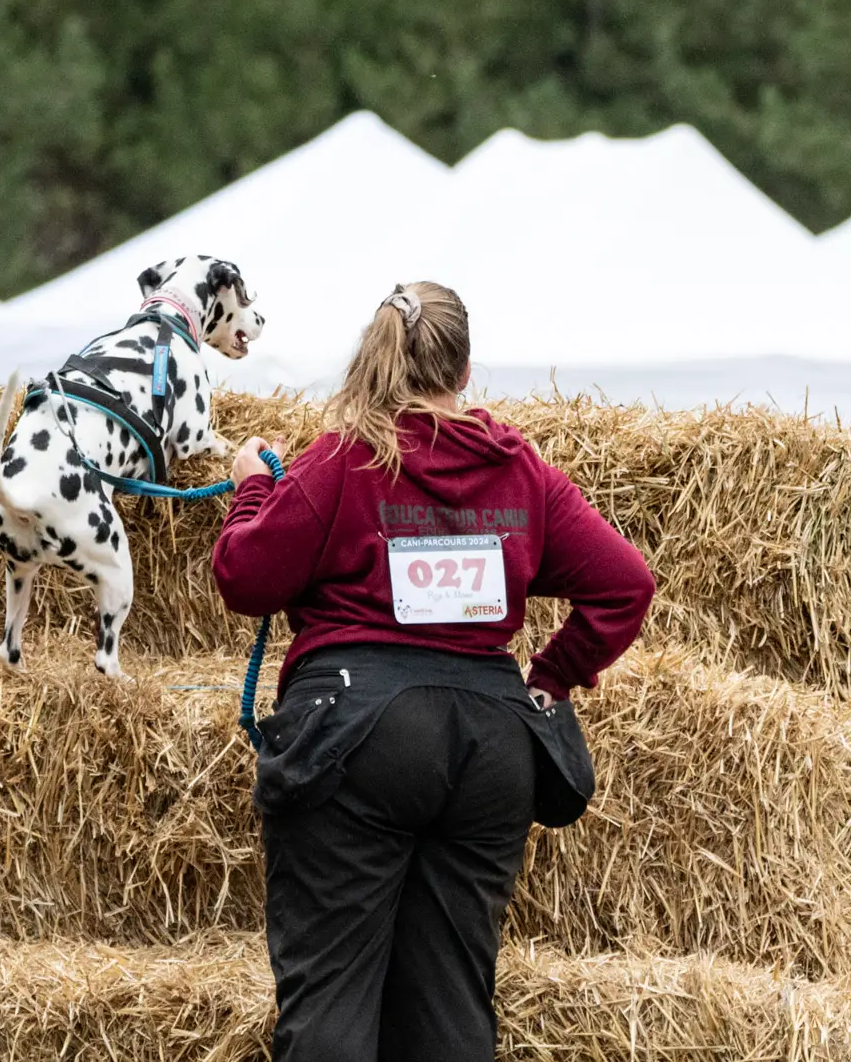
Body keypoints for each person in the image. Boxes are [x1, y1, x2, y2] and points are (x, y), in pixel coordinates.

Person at [212, 281, 655, 1062]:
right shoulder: (520, 470)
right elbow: (627, 583)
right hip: (490, 743)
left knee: (333, 1003)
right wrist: (544, 682)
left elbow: (246, 577)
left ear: (377, 358)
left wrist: (254, 485)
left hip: (357, 738)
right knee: (451, 1006)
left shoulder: (345, 459)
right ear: (466, 370)